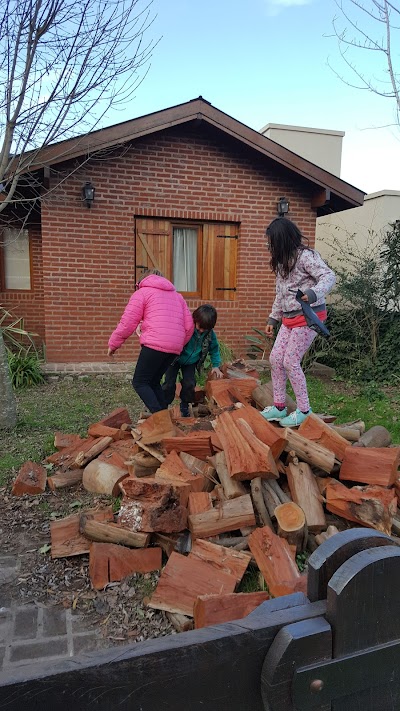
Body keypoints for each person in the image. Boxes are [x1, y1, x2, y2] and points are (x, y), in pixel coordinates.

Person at [261, 218, 336, 427]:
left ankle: (304, 410)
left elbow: (329, 276)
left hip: (308, 315)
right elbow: (280, 293)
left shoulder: (306, 257)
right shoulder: (281, 262)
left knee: (290, 361)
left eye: (272, 242)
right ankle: (279, 406)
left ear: (282, 239)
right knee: (276, 359)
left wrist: (314, 293)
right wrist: (273, 318)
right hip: (288, 318)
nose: (270, 247)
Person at [107, 269, 194, 413]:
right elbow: (189, 327)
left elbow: (127, 322)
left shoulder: (142, 293)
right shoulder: (178, 297)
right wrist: (177, 343)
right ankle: (164, 416)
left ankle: (160, 419)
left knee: (140, 382)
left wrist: (114, 344)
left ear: (142, 281)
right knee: (153, 382)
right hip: (175, 348)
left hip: (154, 345)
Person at [162, 304, 224, 417]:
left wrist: (216, 365)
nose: (200, 331)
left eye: (204, 329)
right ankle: (163, 406)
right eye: (199, 327)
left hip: (191, 362)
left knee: (190, 384)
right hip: (175, 359)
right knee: (169, 384)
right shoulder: (185, 327)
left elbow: (214, 349)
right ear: (195, 320)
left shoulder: (210, 335)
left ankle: (185, 405)